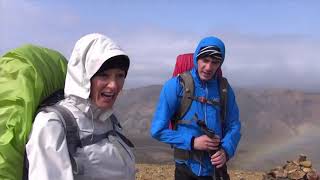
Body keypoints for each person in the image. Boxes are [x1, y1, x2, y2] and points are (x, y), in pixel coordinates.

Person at [26, 33, 135, 180]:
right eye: (104, 75)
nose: (114, 85)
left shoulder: (109, 119)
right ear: (84, 77)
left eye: (120, 75)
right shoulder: (53, 125)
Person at [150, 36, 241, 180]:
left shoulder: (224, 89)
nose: (209, 67)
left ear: (220, 64)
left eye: (215, 62)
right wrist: (192, 142)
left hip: (214, 170)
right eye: (205, 60)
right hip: (185, 169)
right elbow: (157, 130)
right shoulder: (175, 86)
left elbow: (234, 125)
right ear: (196, 58)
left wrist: (226, 150)